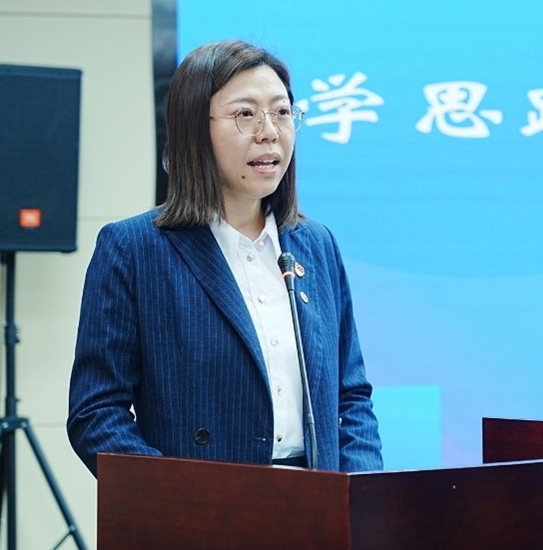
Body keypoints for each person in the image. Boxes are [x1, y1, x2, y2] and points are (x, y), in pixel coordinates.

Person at [67, 39, 383, 476]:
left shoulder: (315, 244)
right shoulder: (134, 248)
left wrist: (360, 492)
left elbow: (352, 397)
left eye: (282, 112)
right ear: (196, 129)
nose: (269, 132)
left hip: (319, 501)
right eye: (245, 114)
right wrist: (184, 498)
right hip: (201, 502)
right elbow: (96, 414)